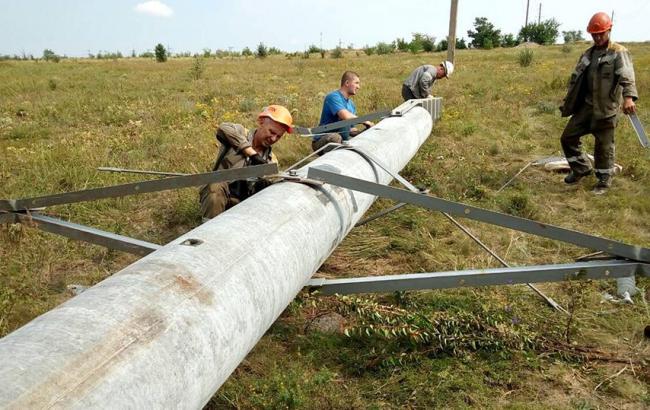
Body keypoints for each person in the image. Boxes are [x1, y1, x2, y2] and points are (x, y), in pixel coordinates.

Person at [559, 12, 638, 194]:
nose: (597, 37)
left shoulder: (618, 52)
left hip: (606, 109)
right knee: (568, 137)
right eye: (594, 34)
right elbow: (576, 80)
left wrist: (628, 98)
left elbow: (627, 76)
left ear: (609, 30)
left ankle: (604, 181)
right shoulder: (587, 54)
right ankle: (581, 169)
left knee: (603, 147)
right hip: (586, 107)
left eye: (601, 33)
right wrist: (569, 100)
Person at [199, 105, 293, 220]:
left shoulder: (271, 160)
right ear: (261, 122)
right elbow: (223, 128)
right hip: (220, 195)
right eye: (272, 132)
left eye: (278, 136)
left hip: (243, 205)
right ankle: (209, 230)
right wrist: (252, 154)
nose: (273, 139)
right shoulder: (240, 132)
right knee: (215, 185)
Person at [312, 71, 374, 153]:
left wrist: (366, 132)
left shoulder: (351, 105)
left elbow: (350, 129)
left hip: (341, 139)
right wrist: (365, 120)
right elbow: (345, 116)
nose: (358, 87)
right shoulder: (333, 97)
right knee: (335, 137)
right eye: (356, 83)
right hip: (323, 139)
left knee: (364, 135)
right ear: (347, 83)